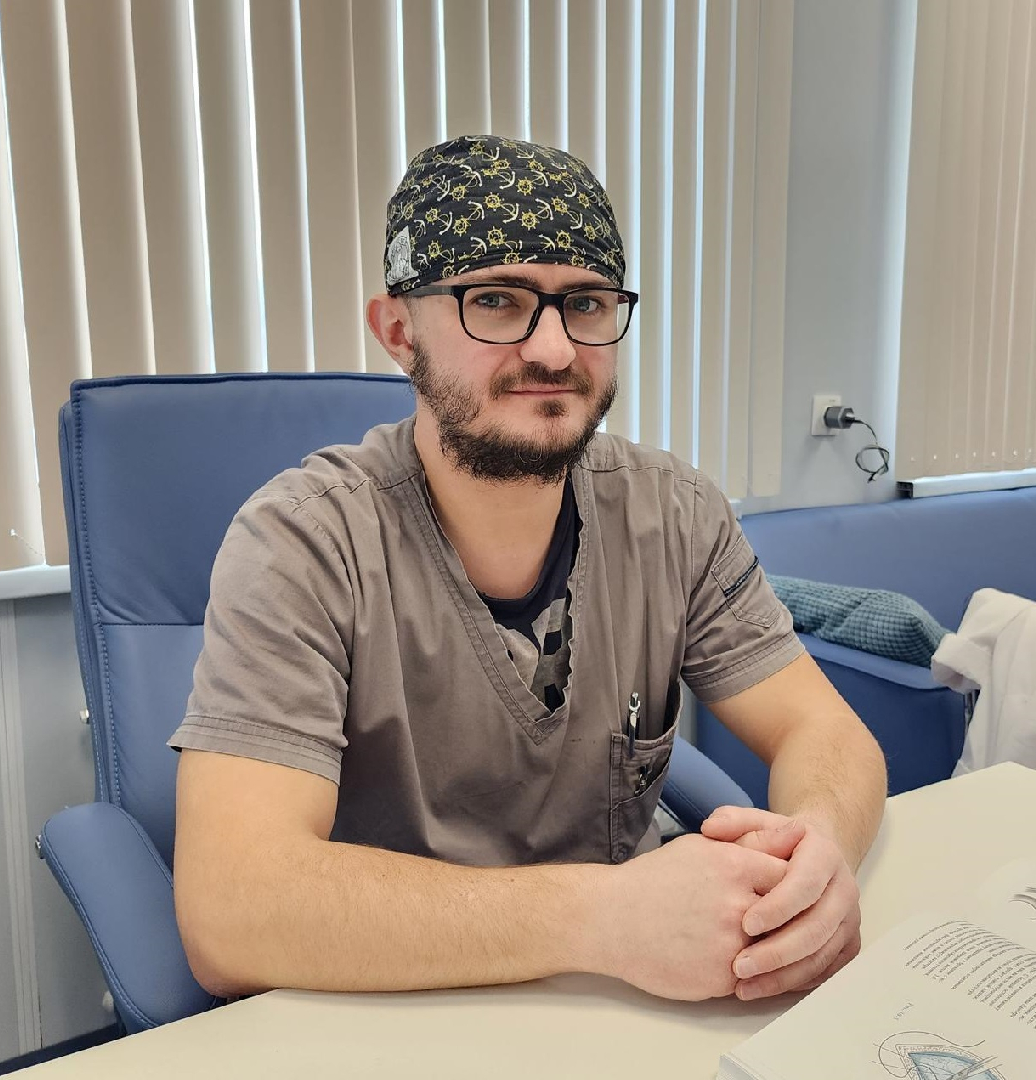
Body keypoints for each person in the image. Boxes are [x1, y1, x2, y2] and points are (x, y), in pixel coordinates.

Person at [169, 135, 887, 1005]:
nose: (552, 350)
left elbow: (823, 729)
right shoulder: (305, 542)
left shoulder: (674, 513)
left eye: (584, 303)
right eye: (496, 301)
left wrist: (817, 850)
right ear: (397, 331)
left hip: (628, 1003)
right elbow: (233, 908)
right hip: (391, 1011)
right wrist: (603, 918)